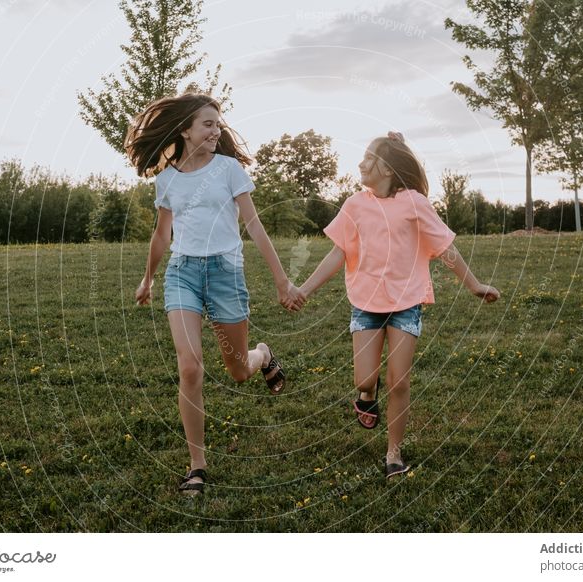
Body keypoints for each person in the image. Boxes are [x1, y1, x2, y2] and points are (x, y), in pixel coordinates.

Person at [126, 93, 305, 495]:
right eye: (207, 123)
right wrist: (148, 279)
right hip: (183, 273)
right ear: (185, 129)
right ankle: (197, 466)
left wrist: (281, 281)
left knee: (239, 370)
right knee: (190, 367)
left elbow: (255, 225)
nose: (215, 130)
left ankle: (263, 355)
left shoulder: (229, 169)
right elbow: (162, 233)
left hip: (225, 274)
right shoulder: (167, 178)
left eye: (218, 124)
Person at [298, 132, 500, 479]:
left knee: (399, 381)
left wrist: (474, 284)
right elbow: (338, 253)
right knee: (367, 377)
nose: (361, 163)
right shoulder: (354, 205)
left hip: (406, 303)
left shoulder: (415, 203)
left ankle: (394, 453)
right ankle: (365, 395)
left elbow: (445, 249)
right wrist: (304, 289)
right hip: (366, 303)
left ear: (388, 169)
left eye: (369, 157)